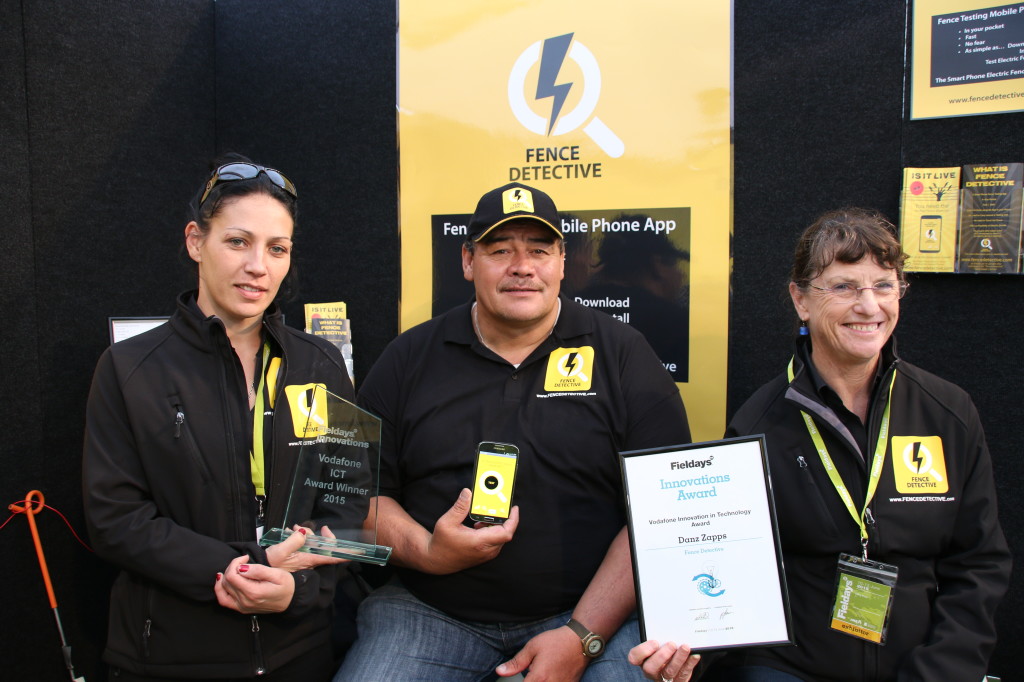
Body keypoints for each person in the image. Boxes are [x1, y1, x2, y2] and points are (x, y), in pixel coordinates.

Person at [630, 208, 1011, 681]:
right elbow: (722, 565)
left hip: (925, 667)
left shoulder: (948, 412)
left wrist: (940, 671)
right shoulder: (759, 424)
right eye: (844, 286)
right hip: (792, 669)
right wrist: (693, 646)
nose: (869, 306)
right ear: (801, 300)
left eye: (884, 285)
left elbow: (978, 563)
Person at [334, 182, 691, 681]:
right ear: (467, 260)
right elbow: (359, 495)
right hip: (429, 611)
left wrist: (581, 636)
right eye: (500, 251)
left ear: (563, 261)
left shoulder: (625, 356)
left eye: (539, 250)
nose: (521, 267)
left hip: (591, 612)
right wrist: (429, 553)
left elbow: (664, 512)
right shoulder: (408, 358)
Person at [82, 155, 354, 681]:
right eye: (238, 242)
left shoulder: (319, 364)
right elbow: (116, 521)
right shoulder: (129, 368)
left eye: (277, 249)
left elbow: (345, 502)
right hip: (169, 658)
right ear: (195, 241)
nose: (259, 266)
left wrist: (298, 589)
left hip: (298, 652)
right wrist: (240, 564)